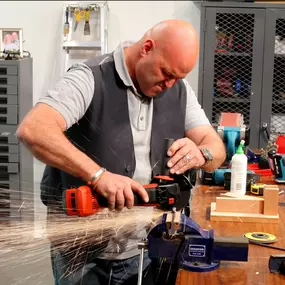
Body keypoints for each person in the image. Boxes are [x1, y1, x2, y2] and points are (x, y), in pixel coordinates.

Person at [16, 19, 226, 285]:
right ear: (146, 48)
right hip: (81, 254)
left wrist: (202, 153)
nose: (170, 84)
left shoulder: (178, 90)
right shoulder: (89, 77)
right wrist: (98, 176)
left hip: (147, 249)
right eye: (166, 73)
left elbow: (216, 148)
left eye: (178, 78)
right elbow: (33, 129)